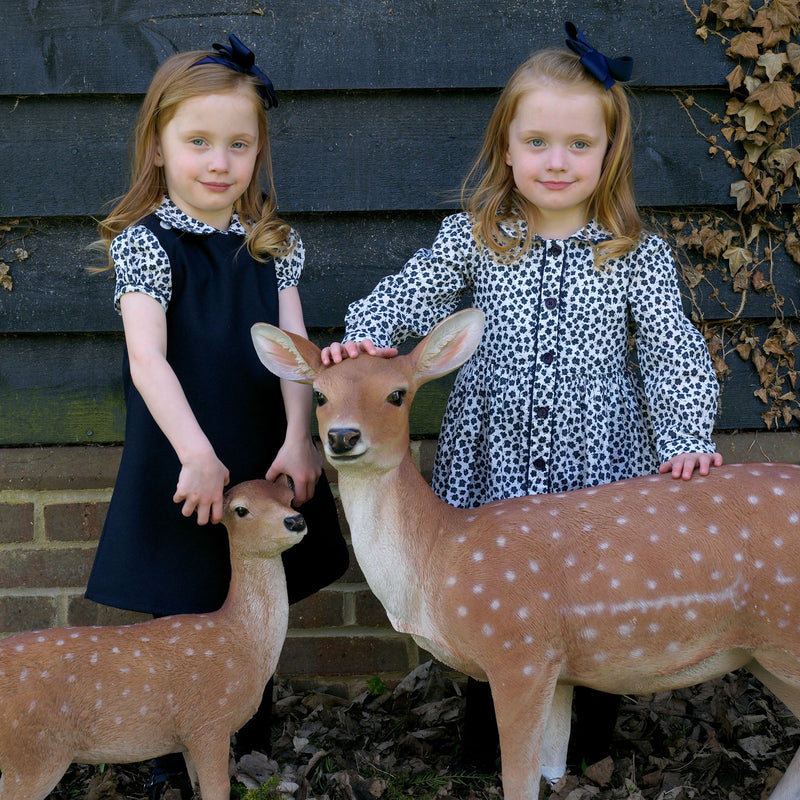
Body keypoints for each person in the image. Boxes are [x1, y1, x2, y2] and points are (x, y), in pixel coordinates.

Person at [322, 23, 722, 775]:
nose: (557, 161)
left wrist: (685, 438)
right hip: (493, 451)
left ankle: (586, 748)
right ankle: (496, 745)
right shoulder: (478, 236)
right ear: (506, 148)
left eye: (579, 144)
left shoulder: (634, 253)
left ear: (609, 152)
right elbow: (411, 293)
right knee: (492, 598)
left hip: (597, 457)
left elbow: (671, 352)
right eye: (537, 142)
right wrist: (365, 337)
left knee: (590, 594)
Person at [85, 35, 349, 799]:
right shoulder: (147, 245)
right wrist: (196, 455)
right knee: (183, 604)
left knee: (255, 597)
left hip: (262, 450)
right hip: (184, 455)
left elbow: (294, 355)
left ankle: (248, 741)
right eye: (197, 141)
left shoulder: (273, 246)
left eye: (238, 144)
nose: (218, 161)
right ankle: (171, 757)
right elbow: (148, 361)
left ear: (257, 152)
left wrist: (299, 437)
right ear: (158, 147)